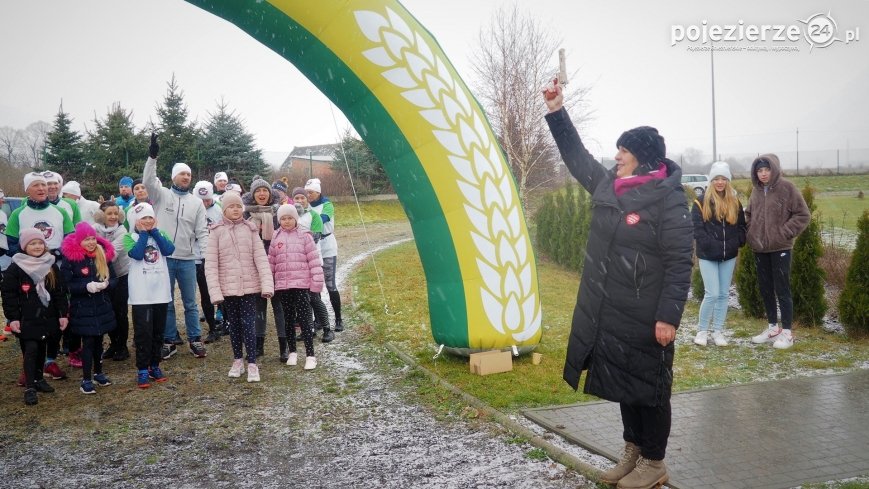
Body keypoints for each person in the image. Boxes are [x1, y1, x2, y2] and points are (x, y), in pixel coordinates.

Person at [543, 80, 693, 488]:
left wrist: (668, 316)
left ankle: (655, 461)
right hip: (614, 309)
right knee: (627, 381)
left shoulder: (669, 198)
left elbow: (681, 263)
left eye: (623, 152)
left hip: (649, 314)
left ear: (642, 158)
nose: (616, 157)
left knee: (652, 387)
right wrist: (557, 112)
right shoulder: (611, 184)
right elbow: (576, 158)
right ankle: (633, 451)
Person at [142, 133, 209, 359]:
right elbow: (148, 181)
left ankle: (195, 339)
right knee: (167, 301)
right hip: (165, 257)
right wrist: (153, 157)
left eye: (188, 174)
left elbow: (201, 231)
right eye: (182, 173)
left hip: (188, 259)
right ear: (173, 176)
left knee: (191, 302)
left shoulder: (196, 203)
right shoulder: (161, 195)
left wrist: (207, 256)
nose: (186, 177)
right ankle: (169, 340)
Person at [5, 171, 74, 381]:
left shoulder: (60, 211)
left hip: (54, 269)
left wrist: (57, 253)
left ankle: (49, 361)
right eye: (36, 185)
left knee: (53, 315)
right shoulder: (19, 214)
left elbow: (71, 239)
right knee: (30, 318)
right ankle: (29, 364)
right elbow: (11, 243)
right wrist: (34, 253)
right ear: (27, 189)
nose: (42, 189)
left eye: (44, 185)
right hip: (27, 271)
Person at [205, 191, 274, 382]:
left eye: (238, 206)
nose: (235, 210)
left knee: (248, 324)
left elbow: (261, 259)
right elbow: (211, 264)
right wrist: (215, 292)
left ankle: (252, 362)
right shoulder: (216, 231)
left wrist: (267, 284)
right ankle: (237, 360)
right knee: (233, 325)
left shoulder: (250, 229)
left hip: (249, 287)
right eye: (231, 207)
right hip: (228, 289)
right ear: (224, 209)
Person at [746, 154, 810, 350]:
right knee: (766, 289)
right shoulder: (756, 191)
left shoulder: (787, 188)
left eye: (767, 170)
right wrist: (751, 232)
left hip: (781, 248)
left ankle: (787, 333)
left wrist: (784, 233)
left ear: (774, 169)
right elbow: (749, 214)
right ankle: (773, 328)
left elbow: (803, 214)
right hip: (760, 248)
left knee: (782, 289)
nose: (763, 174)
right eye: (760, 170)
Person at [1, 228, 69, 405]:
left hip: (47, 316)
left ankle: (39, 379)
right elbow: (9, 295)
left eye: (40, 243)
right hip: (27, 318)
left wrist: (62, 314)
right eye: (33, 243)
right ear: (24, 246)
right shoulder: (16, 267)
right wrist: (13, 318)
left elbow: (59, 292)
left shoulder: (51, 264)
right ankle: (30, 386)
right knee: (30, 349)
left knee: (42, 348)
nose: (37, 246)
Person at [691, 162, 746, 347]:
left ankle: (718, 331)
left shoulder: (735, 202)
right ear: (711, 180)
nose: (720, 182)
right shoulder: (700, 201)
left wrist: (737, 241)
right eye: (716, 179)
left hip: (728, 255)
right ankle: (702, 331)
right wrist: (710, 244)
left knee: (723, 294)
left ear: (728, 181)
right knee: (712, 294)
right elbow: (697, 229)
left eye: (724, 178)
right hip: (707, 255)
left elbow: (741, 226)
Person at [60, 222, 117, 394]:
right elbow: (66, 285)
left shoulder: (101, 254)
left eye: (93, 238)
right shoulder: (71, 259)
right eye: (86, 239)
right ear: (79, 241)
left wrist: (106, 285)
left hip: (101, 306)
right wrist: (86, 287)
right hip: (82, 308)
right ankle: (86, 378)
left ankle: (99, 372)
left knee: (100, 341)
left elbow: (114, 278)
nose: (91, 242)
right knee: (89, 342)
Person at [124, 202, 175, 388]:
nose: (147, 221)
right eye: (143, 218)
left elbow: (169, 250)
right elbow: (137, 254)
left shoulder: (160, 234)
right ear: (135, 220)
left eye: (149, 217)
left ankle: (155, 365)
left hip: (160, 291)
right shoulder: (130, 236)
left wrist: (154, 232)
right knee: (143, 332)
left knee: (157, 332)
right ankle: (142, 369)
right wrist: (144, 234)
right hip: (141, 294)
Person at [269, 203, 324, 370]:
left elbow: (314, 261)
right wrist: (269, 283)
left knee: (305, 319)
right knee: (288, 320)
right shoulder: (276, 237)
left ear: (296, 218)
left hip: (301, 285)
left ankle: (310, 355)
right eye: (283, 219)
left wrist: (316, 284)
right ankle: (292, 351)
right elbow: (271, 262)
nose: (286, 221)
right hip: (283, 286)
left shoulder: (305, 236)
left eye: (289, 218)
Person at [243, 176, 287, 359]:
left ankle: (284, 346)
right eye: (258, 191)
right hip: (255, 266)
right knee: (258, 307)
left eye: (265, 190)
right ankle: (258, 345)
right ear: (253, 195)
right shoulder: (246, 216)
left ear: (270, 194)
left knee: (279, 307)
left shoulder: (278, 214)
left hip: (276, 265)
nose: (262, 194)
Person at [93, 201, 132, 360]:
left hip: (121, 274)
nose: (113, 217)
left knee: (120, 311)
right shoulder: (94, 229)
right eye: (109, 213)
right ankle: (113, 344)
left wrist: (93, 248)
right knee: (107, 311)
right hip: (101, 275)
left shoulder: (122, 231)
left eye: (116, 213)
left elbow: (110, 253)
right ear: (102, 215)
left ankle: (122, 346)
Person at [292, 187, 330, 340]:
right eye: (296, 198)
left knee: (314, 297)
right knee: (302, 300)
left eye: (302, 197)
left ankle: (327, 328)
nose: (300, 201)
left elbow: (314, 237)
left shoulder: (314, 215)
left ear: (307, 199)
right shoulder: (290, 215)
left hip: (313, 261)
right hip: (297, 264)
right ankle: (308, 329)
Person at [305, 178, 341, 339]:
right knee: (314, 285)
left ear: (318, 192)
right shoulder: (306, 206)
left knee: (330, 284)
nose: (308, 195)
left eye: (311, 192)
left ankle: (338, 319)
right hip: (313, 247)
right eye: (307, 193)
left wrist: (307, 217)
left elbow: (323, 218)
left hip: (327, 246)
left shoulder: (327, 204)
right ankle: (318, 320)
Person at [193, 180, 224, 343]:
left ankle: (225, 322)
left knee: (222, 291)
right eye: (201, 200)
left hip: (217, 256)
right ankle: (212, 328)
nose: (205, 203)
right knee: (205, 294)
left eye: (207, 200)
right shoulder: (192, 209)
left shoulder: (219, 210)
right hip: (197, 257)